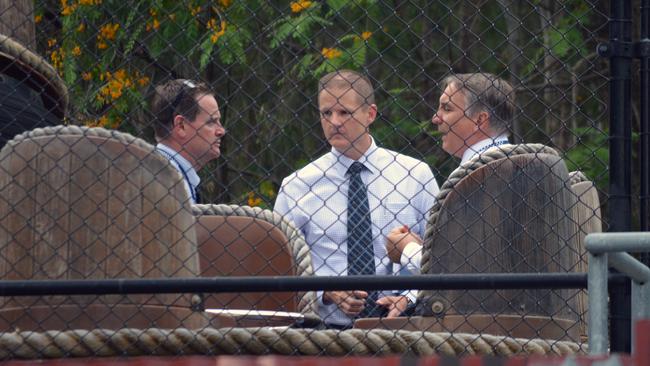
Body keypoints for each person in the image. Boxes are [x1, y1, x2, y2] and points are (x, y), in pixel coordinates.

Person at [274, 70, 439, 329]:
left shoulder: (414, 175)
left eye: (344, 113)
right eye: (326, 113)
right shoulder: (297, 186)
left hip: (402, 326)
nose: (334, 122)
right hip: (322, 331)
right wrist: (327, 292)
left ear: (370, 114)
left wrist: (407, 297)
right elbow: (282, 266)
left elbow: (441, 257)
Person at [385, 73, 516, 273]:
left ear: (480, 120)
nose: (435, 118)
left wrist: (406, 249)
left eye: (447, 108)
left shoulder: (478, 177)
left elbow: (460, 268)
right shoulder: (520, 167)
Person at [150, 79, 226, 203]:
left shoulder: (162, 172)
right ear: (181, 125)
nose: (221, 131)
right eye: (211, 122)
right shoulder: (169, 182)